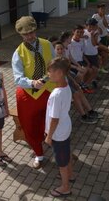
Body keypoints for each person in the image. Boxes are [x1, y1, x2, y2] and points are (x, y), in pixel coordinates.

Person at [11, 16, 56, 169]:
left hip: (49, 90)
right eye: (26, 34)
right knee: (30, 126)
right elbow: (18, 79)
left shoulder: (47, 44)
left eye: (31, 32)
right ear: (21, 35)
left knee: (51, 120)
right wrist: (32, 83)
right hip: (29, 95)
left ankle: (52, 142)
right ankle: (38, 153)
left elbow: (55, 63)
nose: (29, 36)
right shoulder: (18, 53)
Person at [44, 57, 73, 197]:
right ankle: (70, 175)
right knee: (67, 152)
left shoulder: (56, 94)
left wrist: (49, 136)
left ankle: (65, 187)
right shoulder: (66, 85)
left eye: (50, 71)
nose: (48, 74)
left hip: (58, 132)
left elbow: (54, 119)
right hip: (65, 127)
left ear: (60, 73)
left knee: (61, 161)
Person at [54, 42, 102, 124]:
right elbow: (65, 74)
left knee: (79, 91)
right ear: (54, 50)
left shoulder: (63, 59)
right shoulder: (55, 61)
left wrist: (75, 80)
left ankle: (90, 111)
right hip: (63, 81)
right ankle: (83, 116)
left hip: (68, 78)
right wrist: (74, 82)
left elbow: (68, 72)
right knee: (76, 94)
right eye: (58, 49)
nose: (60, 50)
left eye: (61, 49)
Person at [68, 25, 96, 93]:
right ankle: (79, 87)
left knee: (93, 70)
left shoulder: (81, 41)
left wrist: (87, 62)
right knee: (85, 71)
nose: (79, 34)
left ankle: (84, 85)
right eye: (77, 32)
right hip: (74, 63)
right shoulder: (70, 43)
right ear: (73, 32)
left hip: (81, 61)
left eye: (81, 32)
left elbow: (82, 53)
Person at [92, 4, 109, 73]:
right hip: (96, 38)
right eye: (101, 9)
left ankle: (102, 67)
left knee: (105, 53)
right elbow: (92, 24)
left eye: (104, 9)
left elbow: (107, 26)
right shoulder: (95, 16)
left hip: (104, 37)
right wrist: (98, 27)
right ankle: (97, 67)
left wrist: (103, 17)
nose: (103, 10)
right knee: (98, 53)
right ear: (98, 9)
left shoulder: (106, 16)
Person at [83, 18, 100, 88]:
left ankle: (88, 82)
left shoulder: (96, 33)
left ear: (95, 26)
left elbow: (94, 44)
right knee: (88, 70)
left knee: (95, 70)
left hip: (93, 55)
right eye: (89, 26)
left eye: (92, 26)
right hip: (85, 54)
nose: (91, 28)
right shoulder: (84, 31)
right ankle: (85, 83)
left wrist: (92, 35)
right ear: (87, 26)